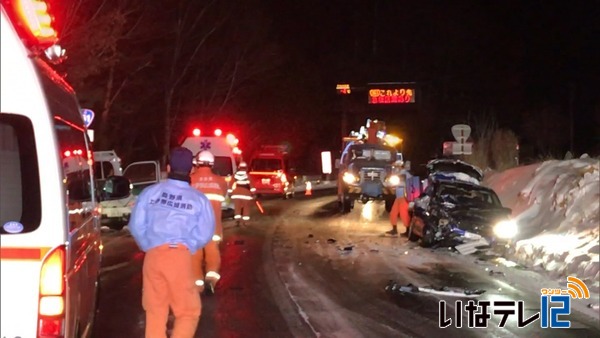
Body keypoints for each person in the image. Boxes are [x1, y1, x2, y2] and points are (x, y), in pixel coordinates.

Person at [129, 147, 215, 338]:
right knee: (188, 312)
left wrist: (148, 245)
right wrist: (189, 244)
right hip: (179, 256)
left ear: (168, 167)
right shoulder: (199, 199)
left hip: (153, 257)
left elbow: (136, 225)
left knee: (155, 311)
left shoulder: (151, 192)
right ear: (191, 170)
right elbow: (206, 232)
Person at [190, 150, 228, 295]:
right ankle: (211, 280)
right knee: (213, 254)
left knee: (194, 256)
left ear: (197, 163)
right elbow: (223, 196)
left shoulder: (190, 180)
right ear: (212, 164)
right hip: (213, 227)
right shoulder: (220, 181)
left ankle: (198, 285)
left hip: (194, 228)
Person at [386, 166, 413, 237]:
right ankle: (394, 229)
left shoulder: (406, 174)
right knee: (393, 213)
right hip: (398, 197)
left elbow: (410, 183)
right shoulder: (396, 173)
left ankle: (408, 231)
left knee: (404, 214)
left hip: (404, 198)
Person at [229, 161, 254, 226]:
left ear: (239, 167)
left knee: (237, 207)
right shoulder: (248, 175)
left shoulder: (235, 175)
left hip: (236, 194)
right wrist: (253, 193)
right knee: (246, 207)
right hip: (246, 194)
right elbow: (252, 186)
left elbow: (230, 184)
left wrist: (230, 192)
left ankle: (237, 220)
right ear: (246, 168)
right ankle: (245, 221)